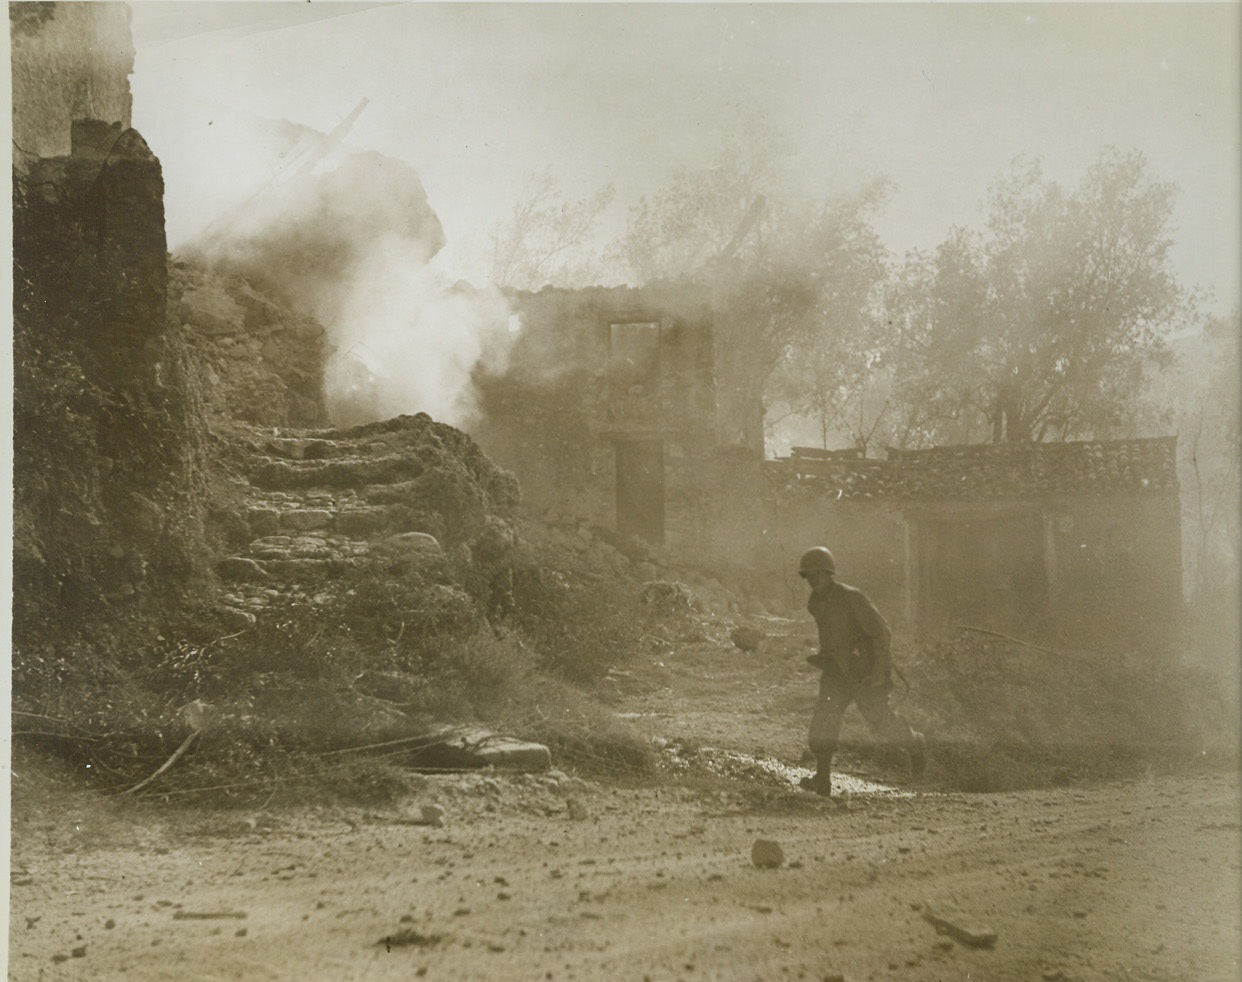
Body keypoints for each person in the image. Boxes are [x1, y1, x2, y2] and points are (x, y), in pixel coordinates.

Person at [797, 546, 925, 796]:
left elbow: (882, 632)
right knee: (824, 720)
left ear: (828, 573)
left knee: (881, 723)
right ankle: (822, 779)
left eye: (817, 574)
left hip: (864, 671)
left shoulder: (851, 597)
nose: (813, 580)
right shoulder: (815, 602)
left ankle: (915, 744)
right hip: (836, 671)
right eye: (808, 576)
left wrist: (879, 672)